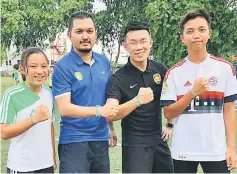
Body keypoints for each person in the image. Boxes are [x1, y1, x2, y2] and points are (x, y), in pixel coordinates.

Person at [160, 9, 237, 173]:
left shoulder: (225, 69)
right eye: (190, 31)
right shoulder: (173, 73)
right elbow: (169, 113)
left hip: (216, 151)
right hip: (183, 151)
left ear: (210, 33)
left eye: (201, 30)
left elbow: (229, 109)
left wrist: (232, 147)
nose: (196, 35)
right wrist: (192, 93)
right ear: (182, 38)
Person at [52, 11, 118, 173]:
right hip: (74, 141)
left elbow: (106, 97)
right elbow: (65, 108)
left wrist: (111, 127)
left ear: (96, 34)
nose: (85, 36)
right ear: (69, 35)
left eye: (89, 31)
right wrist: (99, 111)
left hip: (100, 139)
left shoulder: (103, 62)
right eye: (79, 31)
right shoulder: (62, 67)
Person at [105, 21, 174, 173]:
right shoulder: (118, 78)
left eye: (143, 41)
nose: (139, 47)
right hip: (135, 144)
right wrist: (137, 100)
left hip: (159, 141)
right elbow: (111, 112)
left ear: (150, 43)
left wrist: (170, 124)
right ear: (125, 45)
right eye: (133, 42)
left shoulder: (160, 69)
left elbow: (171, 100)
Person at [1, 47, 56, 173]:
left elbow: (50, 127)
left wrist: (52, 157)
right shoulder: (12, 94)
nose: (40, 71)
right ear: (22, 69)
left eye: (44, 66)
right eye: (33, 66)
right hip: (21, 167)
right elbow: (4, 132)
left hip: (46, 166)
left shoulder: (49, 94)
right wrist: (33, 119)